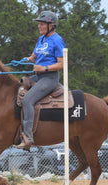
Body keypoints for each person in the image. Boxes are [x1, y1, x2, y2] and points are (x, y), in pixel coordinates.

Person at [16, 11, 66, 150]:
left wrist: (44, 68)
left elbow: (62, 64)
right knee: (16, 88)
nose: (39, 26)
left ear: (51, 25)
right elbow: (34, 56)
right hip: (38, 76)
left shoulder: (57, 40)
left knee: (27, 100)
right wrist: (29, 59)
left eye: (42, 24)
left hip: (49, 78)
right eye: (39, 24)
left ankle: (28, 137)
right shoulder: (41, 39)